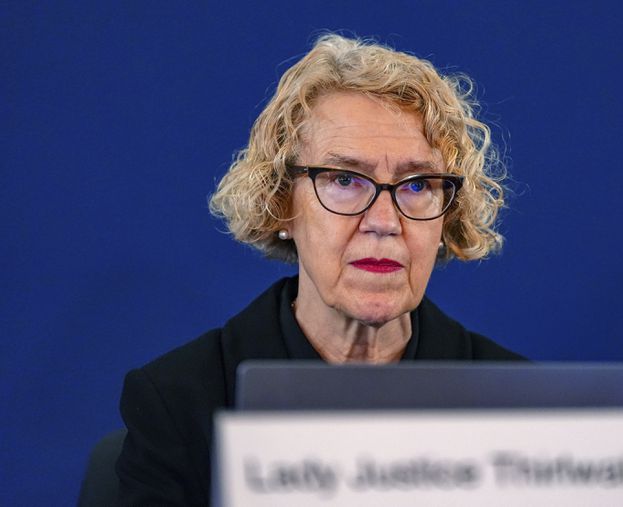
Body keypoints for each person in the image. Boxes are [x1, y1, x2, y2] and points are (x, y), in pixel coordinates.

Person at [114, 33, 525, 506]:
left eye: (417, 185)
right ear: (281, 202)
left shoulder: (516, 405)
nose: (384, 222)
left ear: (447, 214)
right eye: (345, 179)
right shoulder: (179, 402)